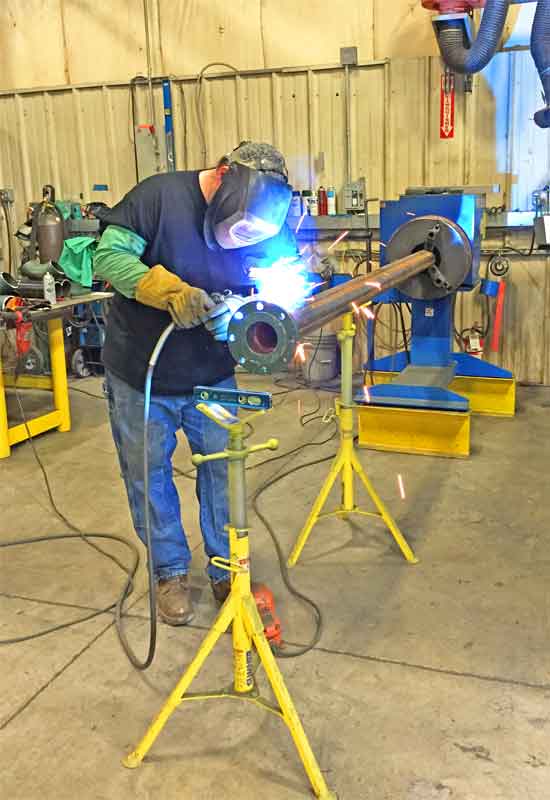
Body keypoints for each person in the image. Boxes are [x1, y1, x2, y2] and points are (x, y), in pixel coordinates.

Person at [93, 142, 295, 626]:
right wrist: (169, 292)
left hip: (214, 373)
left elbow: (282, 275)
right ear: (223, 177)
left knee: (225, 474)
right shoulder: (158, 197)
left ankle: (228, 567)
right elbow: (108, 258)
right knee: (150, 477)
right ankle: (170, 572)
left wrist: (251, 310)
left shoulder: (266, 217)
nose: (244, 236)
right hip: (142, 373)